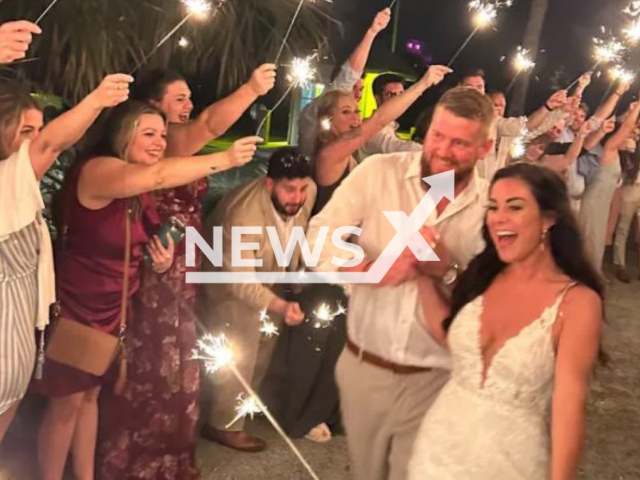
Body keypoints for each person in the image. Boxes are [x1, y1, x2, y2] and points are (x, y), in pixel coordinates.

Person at [33, 100, 260, 480]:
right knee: (66, 406)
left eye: (163, 135)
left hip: (114, 307)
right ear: (122, 135)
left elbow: (146, 235)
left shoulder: (136, 182)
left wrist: (158, 256)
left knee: (90, 399)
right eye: (149, 134)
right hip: (78, 304)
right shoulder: (99, 170)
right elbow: (157, 177)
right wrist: (225, 159)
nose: (159, 143)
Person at [95, 64, 276, 479]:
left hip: (181, 264)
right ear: (151, 105)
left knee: (175, 357)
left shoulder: (168, 141)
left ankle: (168, 456)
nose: (188, 106)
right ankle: (142, 461)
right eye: (178, 99)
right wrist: (250, 88)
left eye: (188, 98)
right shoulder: (168, 141)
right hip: (159, 265)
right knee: (156, 360)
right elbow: (212, 123)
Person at [306, 86, 494, 480]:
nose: (442, 150)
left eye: (459, 143)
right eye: (437, 136)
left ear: (485, 147)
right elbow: (317, 237)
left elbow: (492, 304)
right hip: (364, 367)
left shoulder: (491, 206)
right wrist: (366, 269)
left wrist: (445, 270)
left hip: (440, 379)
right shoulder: (378, 172)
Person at [408, 163, 603, 480]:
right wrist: (422, 276)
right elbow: (450, 337)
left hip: (513, 463)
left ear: (549, 219)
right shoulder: (482, 276)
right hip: (437, 449)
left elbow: (568, 413)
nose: (498, 218)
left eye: (514, 207)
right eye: (493, 207)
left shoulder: (577, 303)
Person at [2, 18, 109, 445]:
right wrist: (98, 99)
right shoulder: (10, 179)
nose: (34, 142)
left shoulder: (18, 190)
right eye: (25, 132)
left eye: (36, 130)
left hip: (19, 344)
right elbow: (52, 144)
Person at [199, 147, 316, 452]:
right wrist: (280, 304)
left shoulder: (307, 191)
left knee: (265, 342)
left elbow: (297, 230)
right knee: (240, 347)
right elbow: (240, 280)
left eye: (303, 189)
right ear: (268, 184)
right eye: (290, 190)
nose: (298, 198)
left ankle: (244, 401)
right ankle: (223, 424)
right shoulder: (242, 216)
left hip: (268, 273)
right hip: (226, 282)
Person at [313, 64, 451, 214]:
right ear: (329, 119)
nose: (355, 118)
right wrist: (423, 84)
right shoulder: (330, 153)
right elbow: (379, 120)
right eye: (346, 112)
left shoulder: (345, 153)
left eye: (357, 111)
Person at [298, 7, 391, 157]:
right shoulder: (315, 112)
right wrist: (372, 33)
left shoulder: (348, 133)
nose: (357, 94)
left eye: (361, 89)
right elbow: (348, 76)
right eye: (353, 87)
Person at [354, 73, 422, 162]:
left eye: (401, 94)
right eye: (391, 95)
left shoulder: (391, 126)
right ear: (377, 99)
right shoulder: (372, 128)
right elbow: (400, 148)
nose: (399, 100)